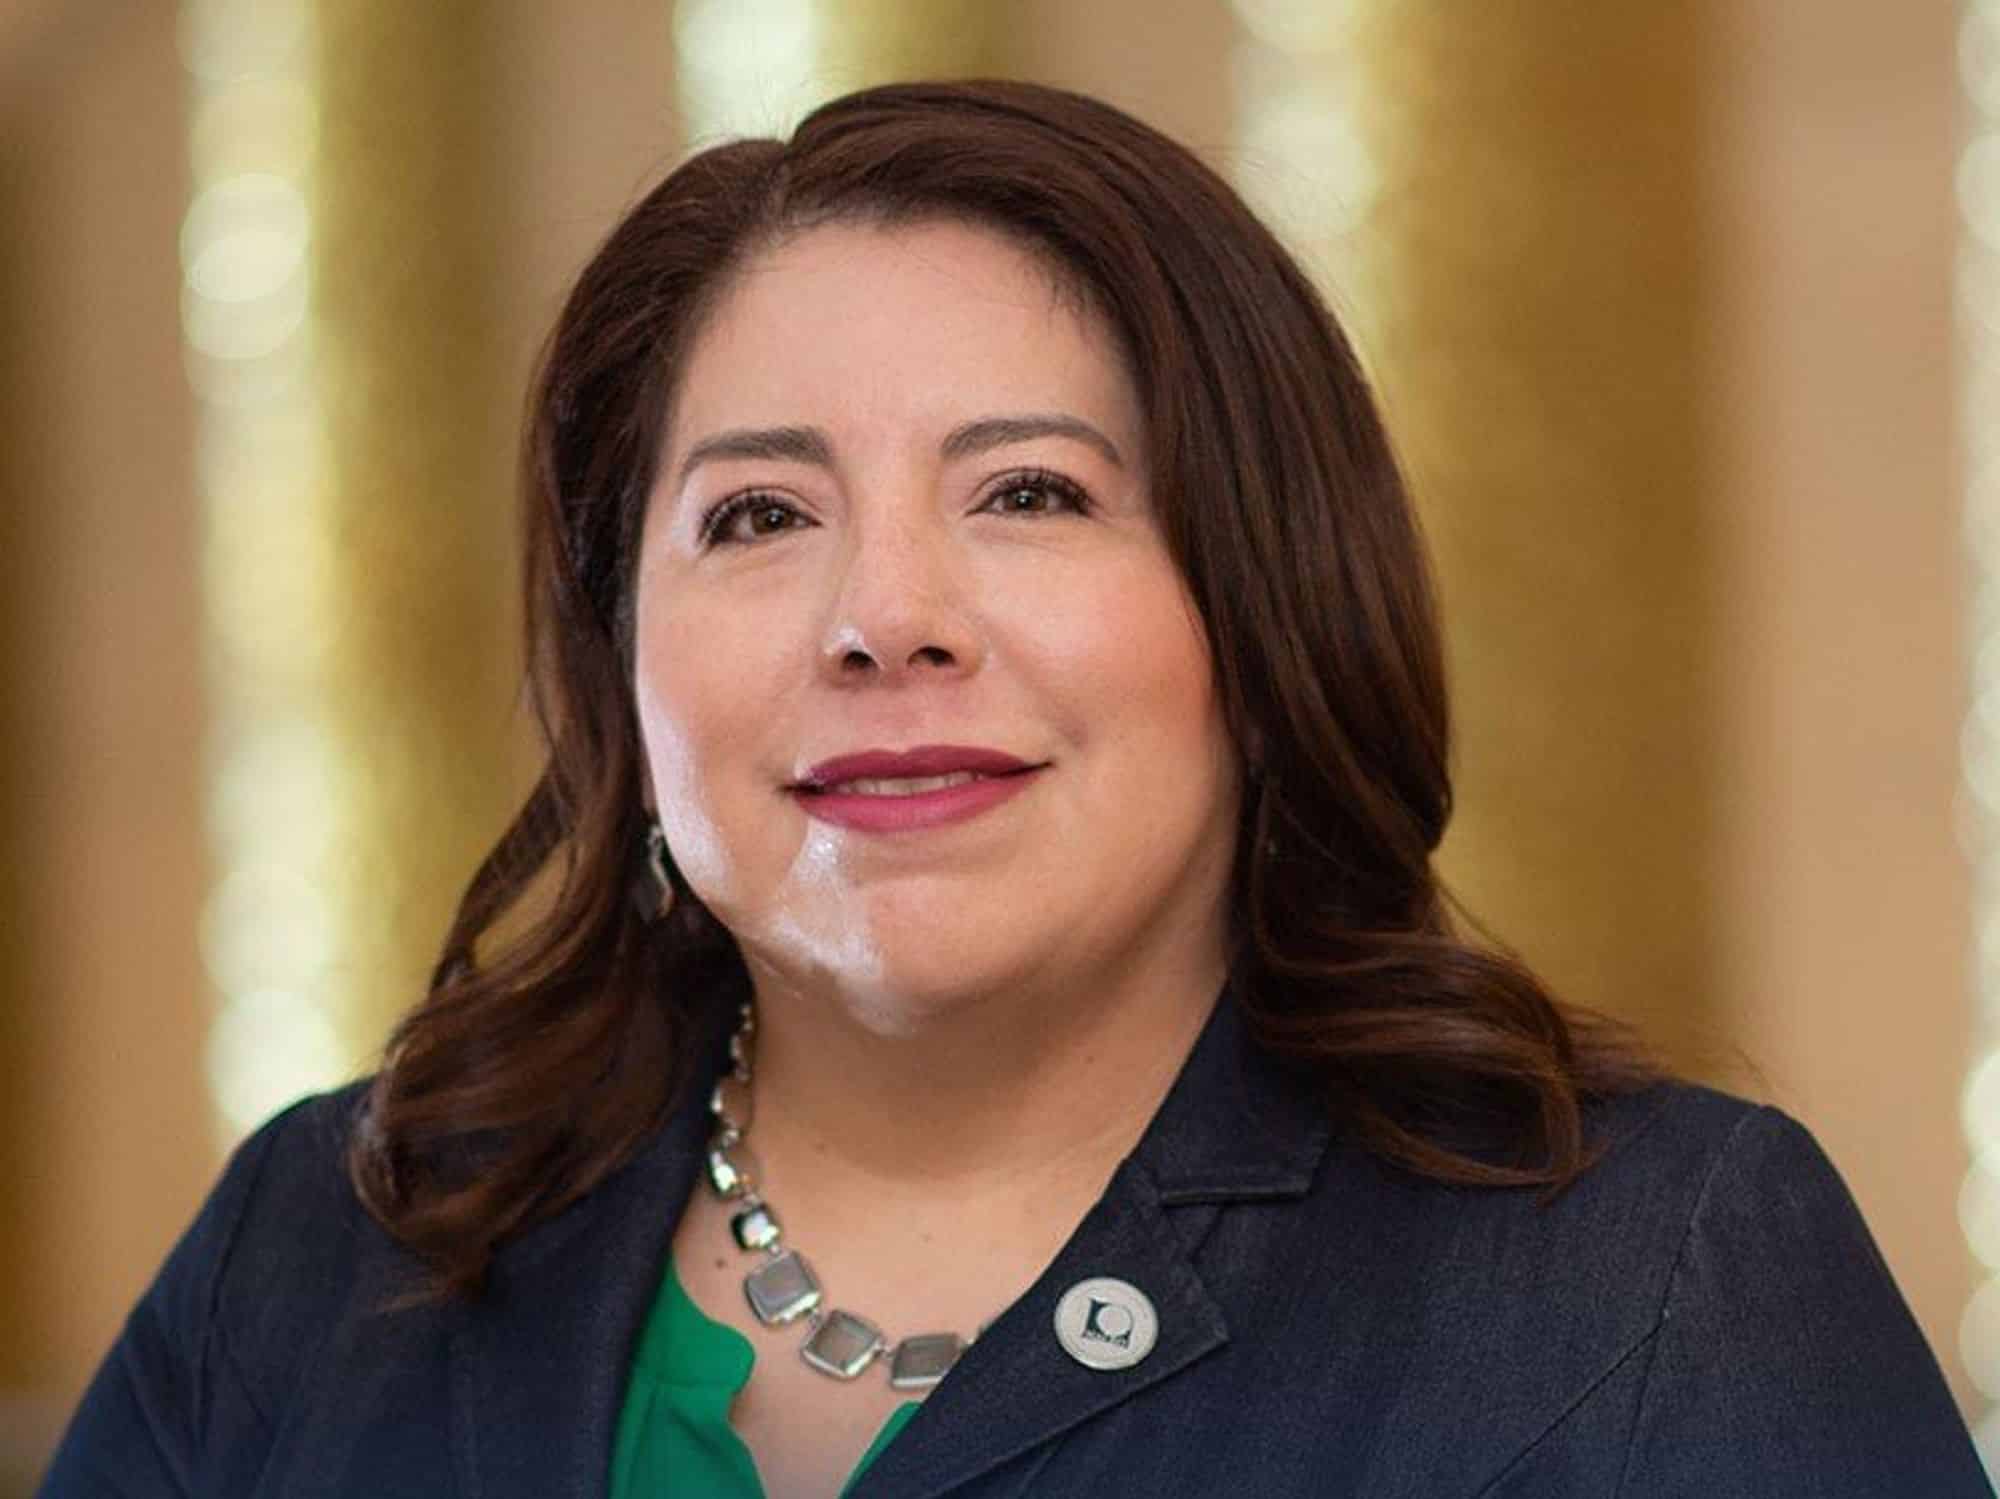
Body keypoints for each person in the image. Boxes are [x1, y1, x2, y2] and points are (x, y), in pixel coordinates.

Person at [39, 78, 1988, 1498]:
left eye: (1031, 493)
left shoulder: (1645, 1277)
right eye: (759, 512)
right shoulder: (334, 1238)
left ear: (1261, 607)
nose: (885, 616)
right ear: (617, 655)